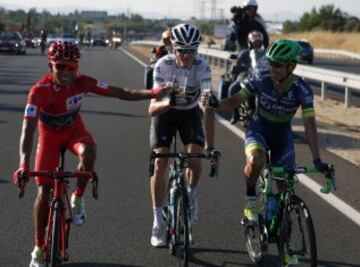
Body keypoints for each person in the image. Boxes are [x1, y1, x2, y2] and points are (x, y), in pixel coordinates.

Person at [12, 41, 167, 267]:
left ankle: (77, 197)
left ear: (77, 67)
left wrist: (153, 93)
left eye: (71, 68)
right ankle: (38, 246)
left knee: (90, 150)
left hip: (74, 133)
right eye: (60, 67)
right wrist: (23, 163)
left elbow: (121, 92)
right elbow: (28, 129)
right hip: (49, 139)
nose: (66, 72)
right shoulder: (39, 91)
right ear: (50, 66)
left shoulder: (83, 82)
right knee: (43, 192)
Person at [204, 39, 330, 264]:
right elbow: (234, 101)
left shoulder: (302, 89)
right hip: (259, 128)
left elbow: (310, 126)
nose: (272, 68)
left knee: (285, 189)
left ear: (291, 67)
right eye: (271, 63)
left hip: (283, 136)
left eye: (278, 65)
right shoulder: (260, 78)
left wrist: (317, 159)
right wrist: (217, 103)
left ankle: (287, 241)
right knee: (256, 160)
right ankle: (251, 199)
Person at [148, 23, 215, 247]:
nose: (187, 55)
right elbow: (152, 109)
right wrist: (170, 100)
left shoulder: (203, 67)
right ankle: (158, 222)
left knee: (195, 158)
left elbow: (206, 104)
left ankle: (191, 195)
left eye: (191, 50)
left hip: (190, 114)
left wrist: (211, 146)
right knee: (161, 163)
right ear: (173, 48)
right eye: (182, 50)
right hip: (165, 113)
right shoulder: (162, 65)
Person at [228, 30, 268, 124]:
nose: (256, 44)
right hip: (244, 76)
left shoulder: (265, 53)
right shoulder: (244, 53)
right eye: (254, 43)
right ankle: (235, 113)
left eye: (258, 42)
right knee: (232, 89)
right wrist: (239, 68)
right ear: (250, 43)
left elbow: (269, 64)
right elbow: (235, 65)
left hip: (259, 77)